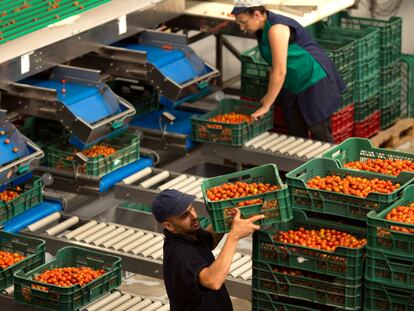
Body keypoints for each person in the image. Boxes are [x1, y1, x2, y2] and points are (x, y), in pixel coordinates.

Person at [232, 0, 346, 143]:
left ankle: (329, 165)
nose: (242, 28)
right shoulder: (261, 30)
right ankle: (301, 164)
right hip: (293, 83)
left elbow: (280, 71)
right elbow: (275, 65)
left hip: (313, 78)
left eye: (244, 22)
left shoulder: (277, 29)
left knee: (320, 134)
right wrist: (269, 95)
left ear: (257, 15)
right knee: (296, 134)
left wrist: (267, 105)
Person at [151, 189, 264, 311]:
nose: (194, 216)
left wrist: (225, 217)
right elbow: (212, 281)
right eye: (184, 215)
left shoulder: (188, 233)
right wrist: (233, 236)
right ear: (169, 226)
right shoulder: (181, 253)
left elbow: (210, 240)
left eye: (191, 208)